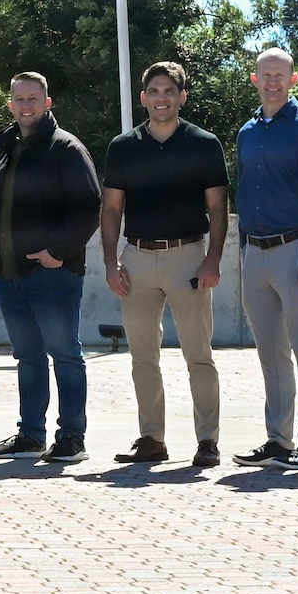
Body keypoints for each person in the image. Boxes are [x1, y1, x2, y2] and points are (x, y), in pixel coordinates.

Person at [100, 61, 230, 468]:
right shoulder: (123, 147)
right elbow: (111, 211)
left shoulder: (204, 143)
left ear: (182, 97)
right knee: (143, 357)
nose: (161, 98)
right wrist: (110, 262)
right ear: (144, 98)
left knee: (198, 355)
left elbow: (219, 209)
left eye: (169, 91)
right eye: (154, 91)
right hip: (136, 258)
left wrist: (212, 260)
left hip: (189, 257)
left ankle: (207, 440)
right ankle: (151, 439)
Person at [0, 72, 102, 465]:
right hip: (7, 273)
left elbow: (89, 207)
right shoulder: (4, 151)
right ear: (11, 104)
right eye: (19, 99)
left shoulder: (66, 148)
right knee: (28, 356)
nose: (26, 106)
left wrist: (58, 252)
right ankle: (31, 435)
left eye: (34, 99)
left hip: (53, 273)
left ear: (48, 104)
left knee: (65, 354)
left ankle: (71, 438)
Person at [232, 48, 298, 473]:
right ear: (255, 80)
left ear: (293, 80)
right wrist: (243, 249)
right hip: (254, 255)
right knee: (271, 355)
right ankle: (278, 441)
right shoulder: (247, 132)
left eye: (281, 75)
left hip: (297, 254)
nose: (273, 81)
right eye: (266, 75)